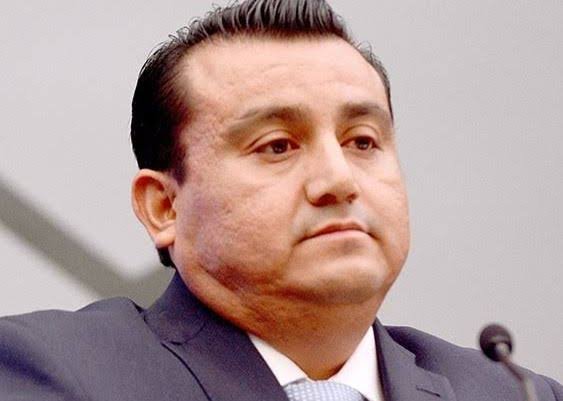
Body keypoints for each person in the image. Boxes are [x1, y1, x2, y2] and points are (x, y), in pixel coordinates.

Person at [0, 1, 560, 400]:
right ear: (164, 207)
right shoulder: (53, 373)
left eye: (363, 142)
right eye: (277, 146)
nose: (338, 180)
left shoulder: (517, 393)